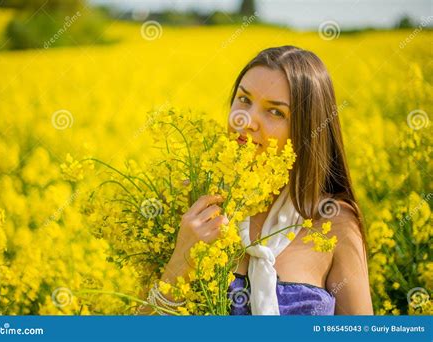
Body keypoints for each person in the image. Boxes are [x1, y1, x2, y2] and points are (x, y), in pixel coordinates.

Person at [141, 46, 373, 315]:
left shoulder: (335, 222)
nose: (246, 120)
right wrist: (181, 260)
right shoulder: (190, 203)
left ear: (308, 129)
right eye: (243, 99)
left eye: (275, 112)